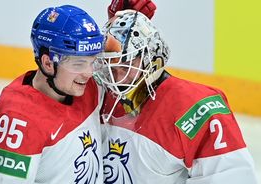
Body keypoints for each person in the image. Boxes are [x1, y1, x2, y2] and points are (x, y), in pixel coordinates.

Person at [93, 10, 258, 183]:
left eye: (126, 67)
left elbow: (233, 177)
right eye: (110, 69)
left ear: (152, 58)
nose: (117, 80)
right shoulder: (98, 96)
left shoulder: (196, 108)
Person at [0, 5, 105, 183]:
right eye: (78, 64)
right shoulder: (18, 120)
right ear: (47, 63)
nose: (89, 73)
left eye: (93, 61)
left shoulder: (87, 87)